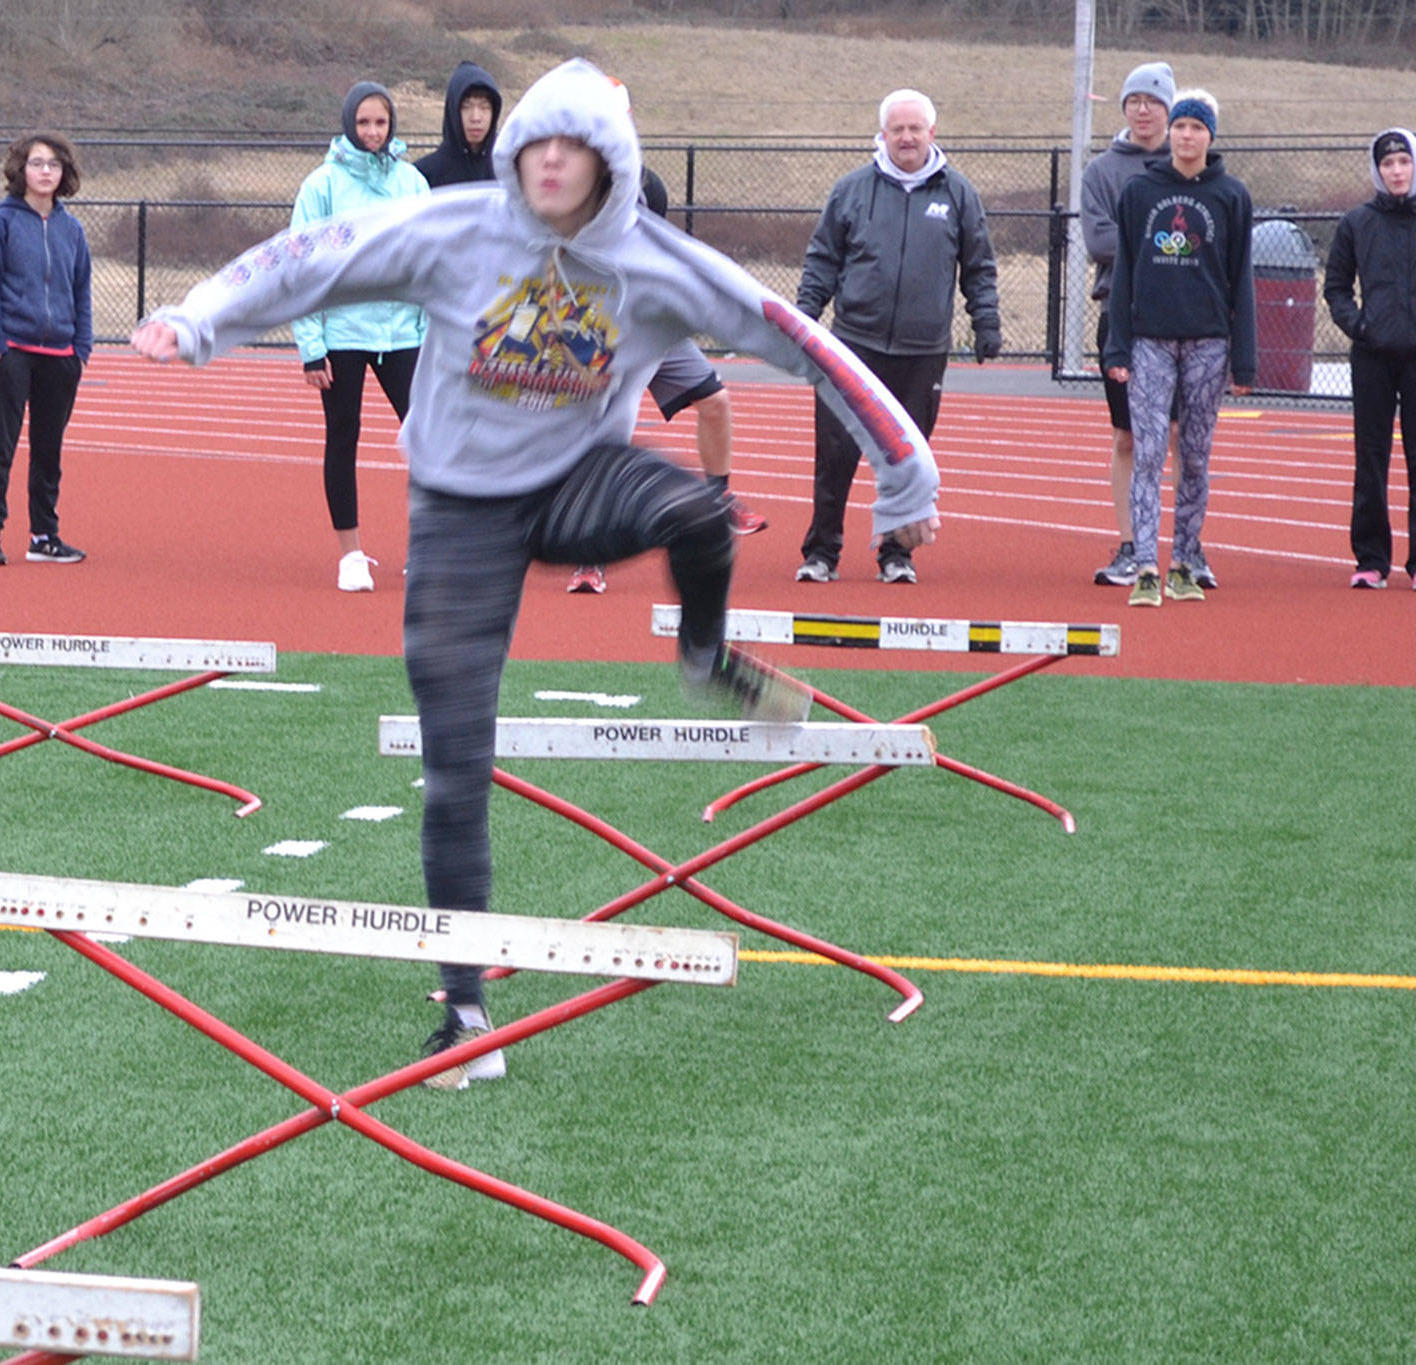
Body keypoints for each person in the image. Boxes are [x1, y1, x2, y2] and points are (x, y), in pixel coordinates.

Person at [130, 59, 938, 1091]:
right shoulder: (456, 227)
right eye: (536, 143)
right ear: (514, 151)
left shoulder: (657, 262)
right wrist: (199, 318)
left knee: (700, 509)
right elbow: (311, 260)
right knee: (455, 759)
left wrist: (905, 467)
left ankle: (702, 654)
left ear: (610, 162)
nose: (550, 163)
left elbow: (799, 341)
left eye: (574, 147)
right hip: (459, 507)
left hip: (578, 483)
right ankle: (463, 1011)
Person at [794, 88, 1000, 586]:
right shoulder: (851, 190)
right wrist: (803, 317)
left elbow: (979, 266)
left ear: (932, 133)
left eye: (915, 129)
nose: (906, 138)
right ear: (882, 134)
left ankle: (896, 554)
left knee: (909, 461)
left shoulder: (958, 194)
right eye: (897, 129)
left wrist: (987, 322)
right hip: (853, 346)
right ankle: (821, 552)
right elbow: (823, 259)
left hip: (922, 351)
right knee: (835, 454)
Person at [566, 158, 767, 596]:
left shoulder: (648, 186)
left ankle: (718, 497)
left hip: (651, 322)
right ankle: (588, 554)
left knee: (715, 402)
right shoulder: (575, 192)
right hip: (599, 327)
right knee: (608, 434)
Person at [1103, 89, 1254, 608]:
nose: (1187, 136)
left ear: (1210, 136)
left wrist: (1244, 359)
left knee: (1194, 457)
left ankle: (1185, 561)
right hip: (1150, 341)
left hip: (1209, 342)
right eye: (1181, 127)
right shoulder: (1140, 192)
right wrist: (1117, 348)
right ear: (1170, 133)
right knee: (1147, 452)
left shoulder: (1231, 195)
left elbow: (1241, 279)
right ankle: (1146, 565)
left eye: (1197, 128)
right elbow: (1123, 273)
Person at [1324, 128, 1416, 593]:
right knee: (1370, 458)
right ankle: (1371, 560)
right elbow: (1336, 287)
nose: (1396, 171)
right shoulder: (1356, 223)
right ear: (1377, 170)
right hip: (1371, 357)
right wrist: (1360, 326)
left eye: (1403, 162)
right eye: (1387, 164)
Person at [292, 81, 430, 592]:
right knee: (343, 435)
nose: (373, 131)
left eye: (381, 122)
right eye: (364, 122)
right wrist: (312, 348)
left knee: (429, 439)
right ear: (349, 123)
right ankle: (351, 556)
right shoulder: (322, 185)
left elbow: (430, 260)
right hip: (343, 333)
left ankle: (426, 548)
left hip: (403, 334)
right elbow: (301, 268)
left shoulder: (412, 182)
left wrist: (430, 329)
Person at [1081, 61, 1192, 588]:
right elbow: (1100, 242)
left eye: (1153, 101)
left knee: (1179, 434)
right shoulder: (1102, 172)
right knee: (1127, 435)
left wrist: (1155, 244)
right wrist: (1166, 246)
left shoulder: (1190, 165)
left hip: (1185, 318)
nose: (1143, 110)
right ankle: (1130, 546)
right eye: (1134, 101)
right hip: (1122, 316)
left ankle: (1185, 548)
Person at [0, 131, 93, 566]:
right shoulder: (1, 223)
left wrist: (80, 350)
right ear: (21, 170)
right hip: (13, 350)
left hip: (60, 355)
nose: (46, 171)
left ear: (64, 173)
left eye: (54, 164)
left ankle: (44, 536)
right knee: (1, 446)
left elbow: (81, 291)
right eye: (37, 163)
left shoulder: (72, 230)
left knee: (48, 449)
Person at [413, 60, 502, 188]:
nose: (475, 118)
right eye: (466, 107)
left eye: (484, 107)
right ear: (453, 111)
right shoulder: (422, 176)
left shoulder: (507, 170)